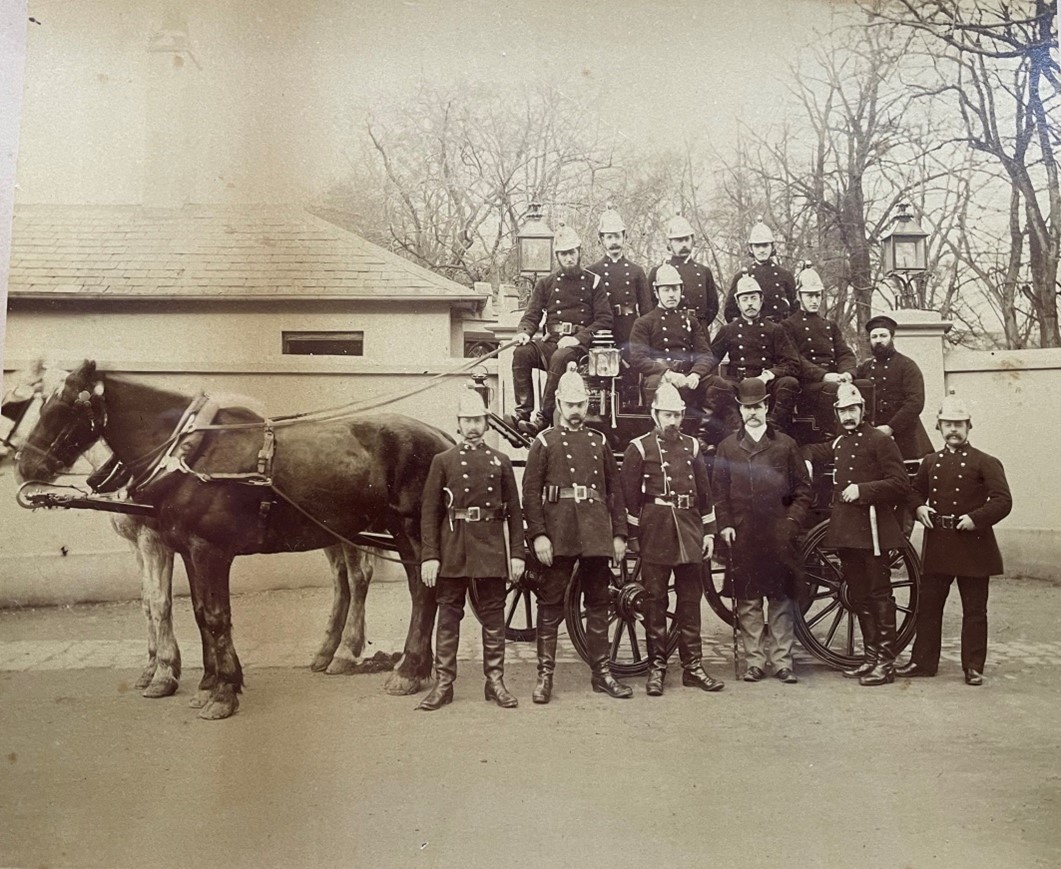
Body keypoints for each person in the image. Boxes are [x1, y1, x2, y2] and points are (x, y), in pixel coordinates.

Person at [522, 365, 630, 702]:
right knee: (550, 603)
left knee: (598, 602)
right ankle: (545, 677)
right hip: (560, 532)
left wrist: (619, 534)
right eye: (570, 404)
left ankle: (602, 673)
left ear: (587, 404)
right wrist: (538, 535)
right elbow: (530, 493)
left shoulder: (599, 441)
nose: (576, 411)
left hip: (595, 533)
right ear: (558, 403)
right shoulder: (545, 442)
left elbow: (615, 491)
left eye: (581, 404)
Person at [417, 390, 526, 711]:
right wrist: (430, 556)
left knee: (494, 615)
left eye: (478, 420)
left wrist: (516, 555)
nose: (473, 427)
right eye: (467, 421)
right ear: (459, 424)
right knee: (448, 615)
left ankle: (495, 682)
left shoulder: (500, 461)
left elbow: (515, 512)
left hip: (490, 547)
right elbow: (429, 513)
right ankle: (444, 684)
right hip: (454, 546)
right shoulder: (443, 461)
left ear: (486, 423)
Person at [896, 395, 1012, 686]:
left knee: (974, 611)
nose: (953, 430)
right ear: (939, 427)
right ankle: (923, 662)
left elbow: (1003, 500)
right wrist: (919, 508)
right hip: (939, 544)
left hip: (974, 545)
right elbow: (914, 492)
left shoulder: (985, 462)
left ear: (969, 426)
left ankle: (973, 666)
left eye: (959, 424)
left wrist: (976, 518)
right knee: (929, 606)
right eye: (948, 424)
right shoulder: (930, 462)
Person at [620, 382, 724, 695]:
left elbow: (705, 493)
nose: (673, 421)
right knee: (655, 602)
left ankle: (693, 667)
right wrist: (633, 536)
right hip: (656, 530)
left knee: (690, 601)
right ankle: (657, 669)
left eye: (677, 415)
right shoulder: (639, 448)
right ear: (655, 414)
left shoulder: (692, 446)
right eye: (667, 415)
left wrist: (709, 532)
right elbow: (628, 498)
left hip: (689, 529)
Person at [805, 383, 911, 686]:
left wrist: (863, 490)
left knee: (880, 595)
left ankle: (886, 663)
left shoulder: (880, 440)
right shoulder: (839, 442)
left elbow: (900, 483)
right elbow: (809, 449)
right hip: (847, 532)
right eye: (843, 411)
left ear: (862, 410)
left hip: (874, 529)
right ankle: (871, 658)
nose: (848, 415)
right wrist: (808, 460)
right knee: (860, 596)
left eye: (853, 409)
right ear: (837, 414)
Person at [712, 378, 811, 684]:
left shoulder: (785, 445)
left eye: (757, 406)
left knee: (781, 599)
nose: (752, 412)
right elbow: (719, 493)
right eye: (747, 407)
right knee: (749, 601)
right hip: (744, 533)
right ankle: (754, 661)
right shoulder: (728, 447)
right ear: (740, 410)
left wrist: (791, 522)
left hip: (778, 533)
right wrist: (726, 524)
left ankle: (782, 662)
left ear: (766, 407)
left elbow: (803, 491)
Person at [509, 224, 613, 435]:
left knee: (560, 356)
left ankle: (543, 418)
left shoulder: (593, 282)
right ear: (557, 256)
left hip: (579, 349)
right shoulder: (545, 283)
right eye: (563, 254)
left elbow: (604, 320)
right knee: (522, 352)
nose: (568, 258)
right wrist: (524, 332)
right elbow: (532, 315)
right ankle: (522, 414)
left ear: (579, 252)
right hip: (552, 342)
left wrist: (577, 338)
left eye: (572, 252)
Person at [706, 275, 801, 435]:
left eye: (753, 298)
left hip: (765, 383)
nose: (750, 303)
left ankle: (772, 431)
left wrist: (768, 375)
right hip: (739, 382)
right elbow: (710, 359)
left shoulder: (775, 329)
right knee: (720, 387)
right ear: (738, 303)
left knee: (789, 383)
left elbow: (792, 363)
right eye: (745, 299)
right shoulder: (729, 330)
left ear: (761, 300)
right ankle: (737, 433)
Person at [628, 263, 716, 429]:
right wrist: (667, 373)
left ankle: (703, 434)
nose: (671, 294)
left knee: (718, 385)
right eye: (666, 290)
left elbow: (705, 354)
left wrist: (695, 374)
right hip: (659, 376)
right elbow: (638, 358)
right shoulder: (644, 322)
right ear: (656, 292)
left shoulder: (691, 321)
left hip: (687, 376)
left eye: (675, 289)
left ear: (681, 291)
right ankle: (660, 432)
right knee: (658, 386)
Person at [780, 266, 863, 438]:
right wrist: (824, 376)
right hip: (809, 382)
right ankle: (834, 437)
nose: (814, 300)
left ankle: (863, 437)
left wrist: (847, 373)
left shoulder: (829, 325)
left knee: (864, 385)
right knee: (832, 389)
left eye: (817, 295)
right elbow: (795, 359)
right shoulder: (788, 325)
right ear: (799, 296)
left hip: (835, 377)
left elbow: (845, 353)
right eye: (809, 296)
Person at [587, 208, 652, 405]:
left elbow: (646, 309)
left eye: (617, 236)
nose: (614, 241)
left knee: (631, 372)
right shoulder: (592, 272)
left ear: (624, 237)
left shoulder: (636, 271)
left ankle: (630, 409)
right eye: (609, 237)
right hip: (603, 330)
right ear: (601, 240)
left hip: (630, 328)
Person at [856, 315, 933, 460]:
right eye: (874, 337)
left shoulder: (907, 365)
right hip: (873, 433)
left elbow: (915, 402)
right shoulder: (864, 368)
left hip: (905, 434)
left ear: (892, 337)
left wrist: (891, 427)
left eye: (883, 336)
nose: (878, 340)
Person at [646, 213, 719, 334]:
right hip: (668, 331)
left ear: (692, 241)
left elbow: (713, 307)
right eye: (679, 240)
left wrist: (700, 325)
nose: (684, 244)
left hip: (698, 330)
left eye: (687, 239)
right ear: (669, 243)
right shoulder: (658, 271)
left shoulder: (704, 271)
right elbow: (649, 306)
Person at [723, 219, 797, 323]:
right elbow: (730, 312)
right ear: (751, 248)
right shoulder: (741, 277)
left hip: (780, 329)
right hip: (753, 330)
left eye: (765, 245)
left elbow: (794, 310)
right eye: (757, 246)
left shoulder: (785, 275)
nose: (762, 250)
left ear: (772, 247)